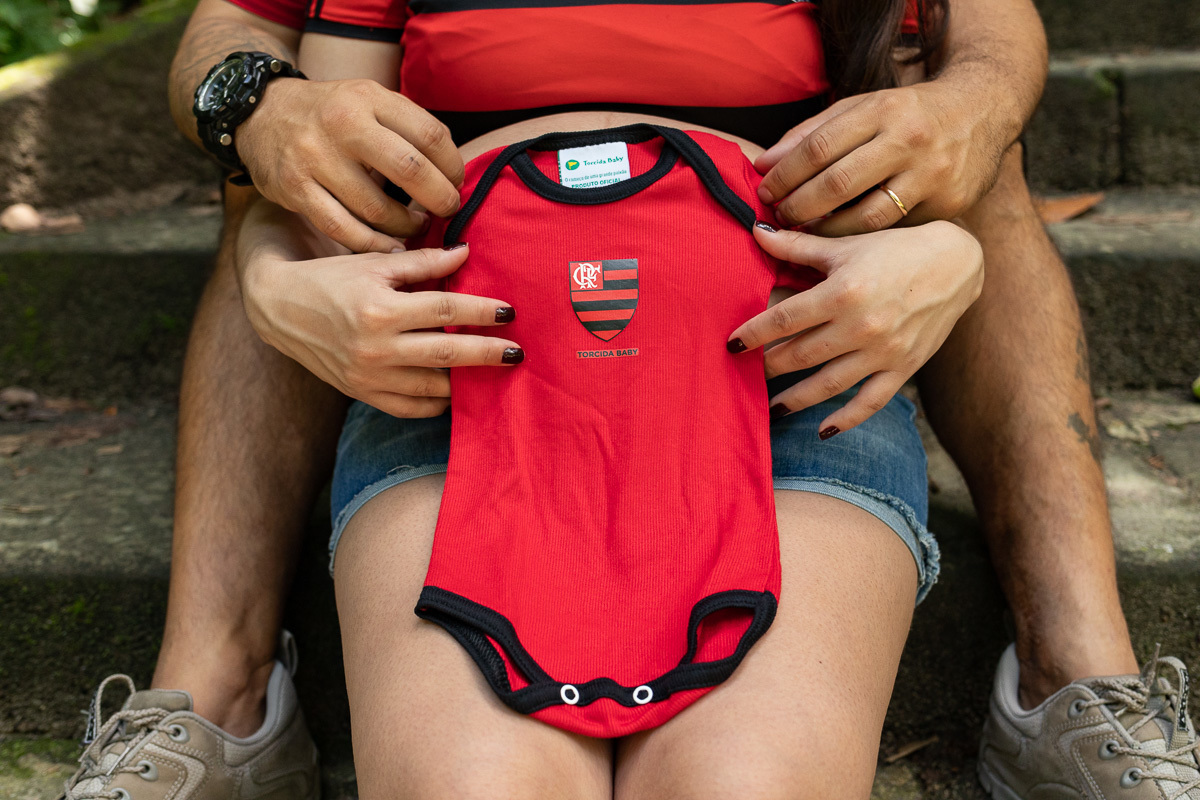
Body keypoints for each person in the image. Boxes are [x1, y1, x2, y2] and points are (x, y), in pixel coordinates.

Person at [58, 0, 1199, 798]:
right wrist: (270, 258)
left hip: (785, 391)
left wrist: (956, 245)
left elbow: (980, 57)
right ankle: (209, 684)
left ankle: (1081, 667)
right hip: (466, 388)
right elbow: (273, 123)